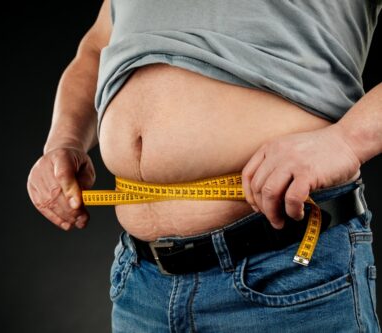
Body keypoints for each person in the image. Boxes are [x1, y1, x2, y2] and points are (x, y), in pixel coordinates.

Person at [27, 0, 382, 331]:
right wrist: (64, 140)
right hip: (141, 285)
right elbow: (98, 46)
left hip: (288, 271)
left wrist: (346, 141)